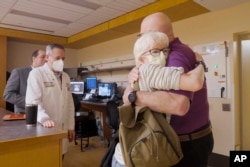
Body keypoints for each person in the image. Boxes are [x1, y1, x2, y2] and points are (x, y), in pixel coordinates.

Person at [123, 12, 213, 167]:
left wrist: (133, 96)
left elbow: (179, 104)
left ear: (153, 35)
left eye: (142, 35)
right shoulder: (161, 55)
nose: (141, 40)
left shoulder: (175, 56)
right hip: (187, 139)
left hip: (187, 145)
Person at [25, 43, 75, 156]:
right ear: (47, 57)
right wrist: (44, 118)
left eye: (63, 58)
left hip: (63, 127)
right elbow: (33, 101)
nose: (61, 61)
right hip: (45, 127)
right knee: (47, 157)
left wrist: (71, 127)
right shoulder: (36, 74)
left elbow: (70, 104)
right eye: (57, 58)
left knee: (60, 156)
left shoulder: (66, 77)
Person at [3, 49, 46, 113]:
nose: (45, 60)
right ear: (34, 58)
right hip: (24, 115)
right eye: (43, 57)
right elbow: (8, 95)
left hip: (45, 115)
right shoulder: (19, 72)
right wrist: (30, 101)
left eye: (47, 58)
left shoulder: (48, 75)